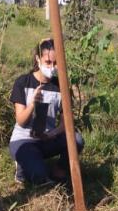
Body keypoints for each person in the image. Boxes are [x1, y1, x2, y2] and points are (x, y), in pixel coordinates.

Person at [8, 38, 84, 185]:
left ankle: (58, 170)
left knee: (77, 140)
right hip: (23, 140)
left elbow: (66, 123)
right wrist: (32, 104)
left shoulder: (61, 86)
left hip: (47, 139)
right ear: (38, 59)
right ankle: (23, 168)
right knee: (39, 177)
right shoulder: (23, 82)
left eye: (55, 63)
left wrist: (52, 134)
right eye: (48, 62)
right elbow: (21, 120)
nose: (52, 67)